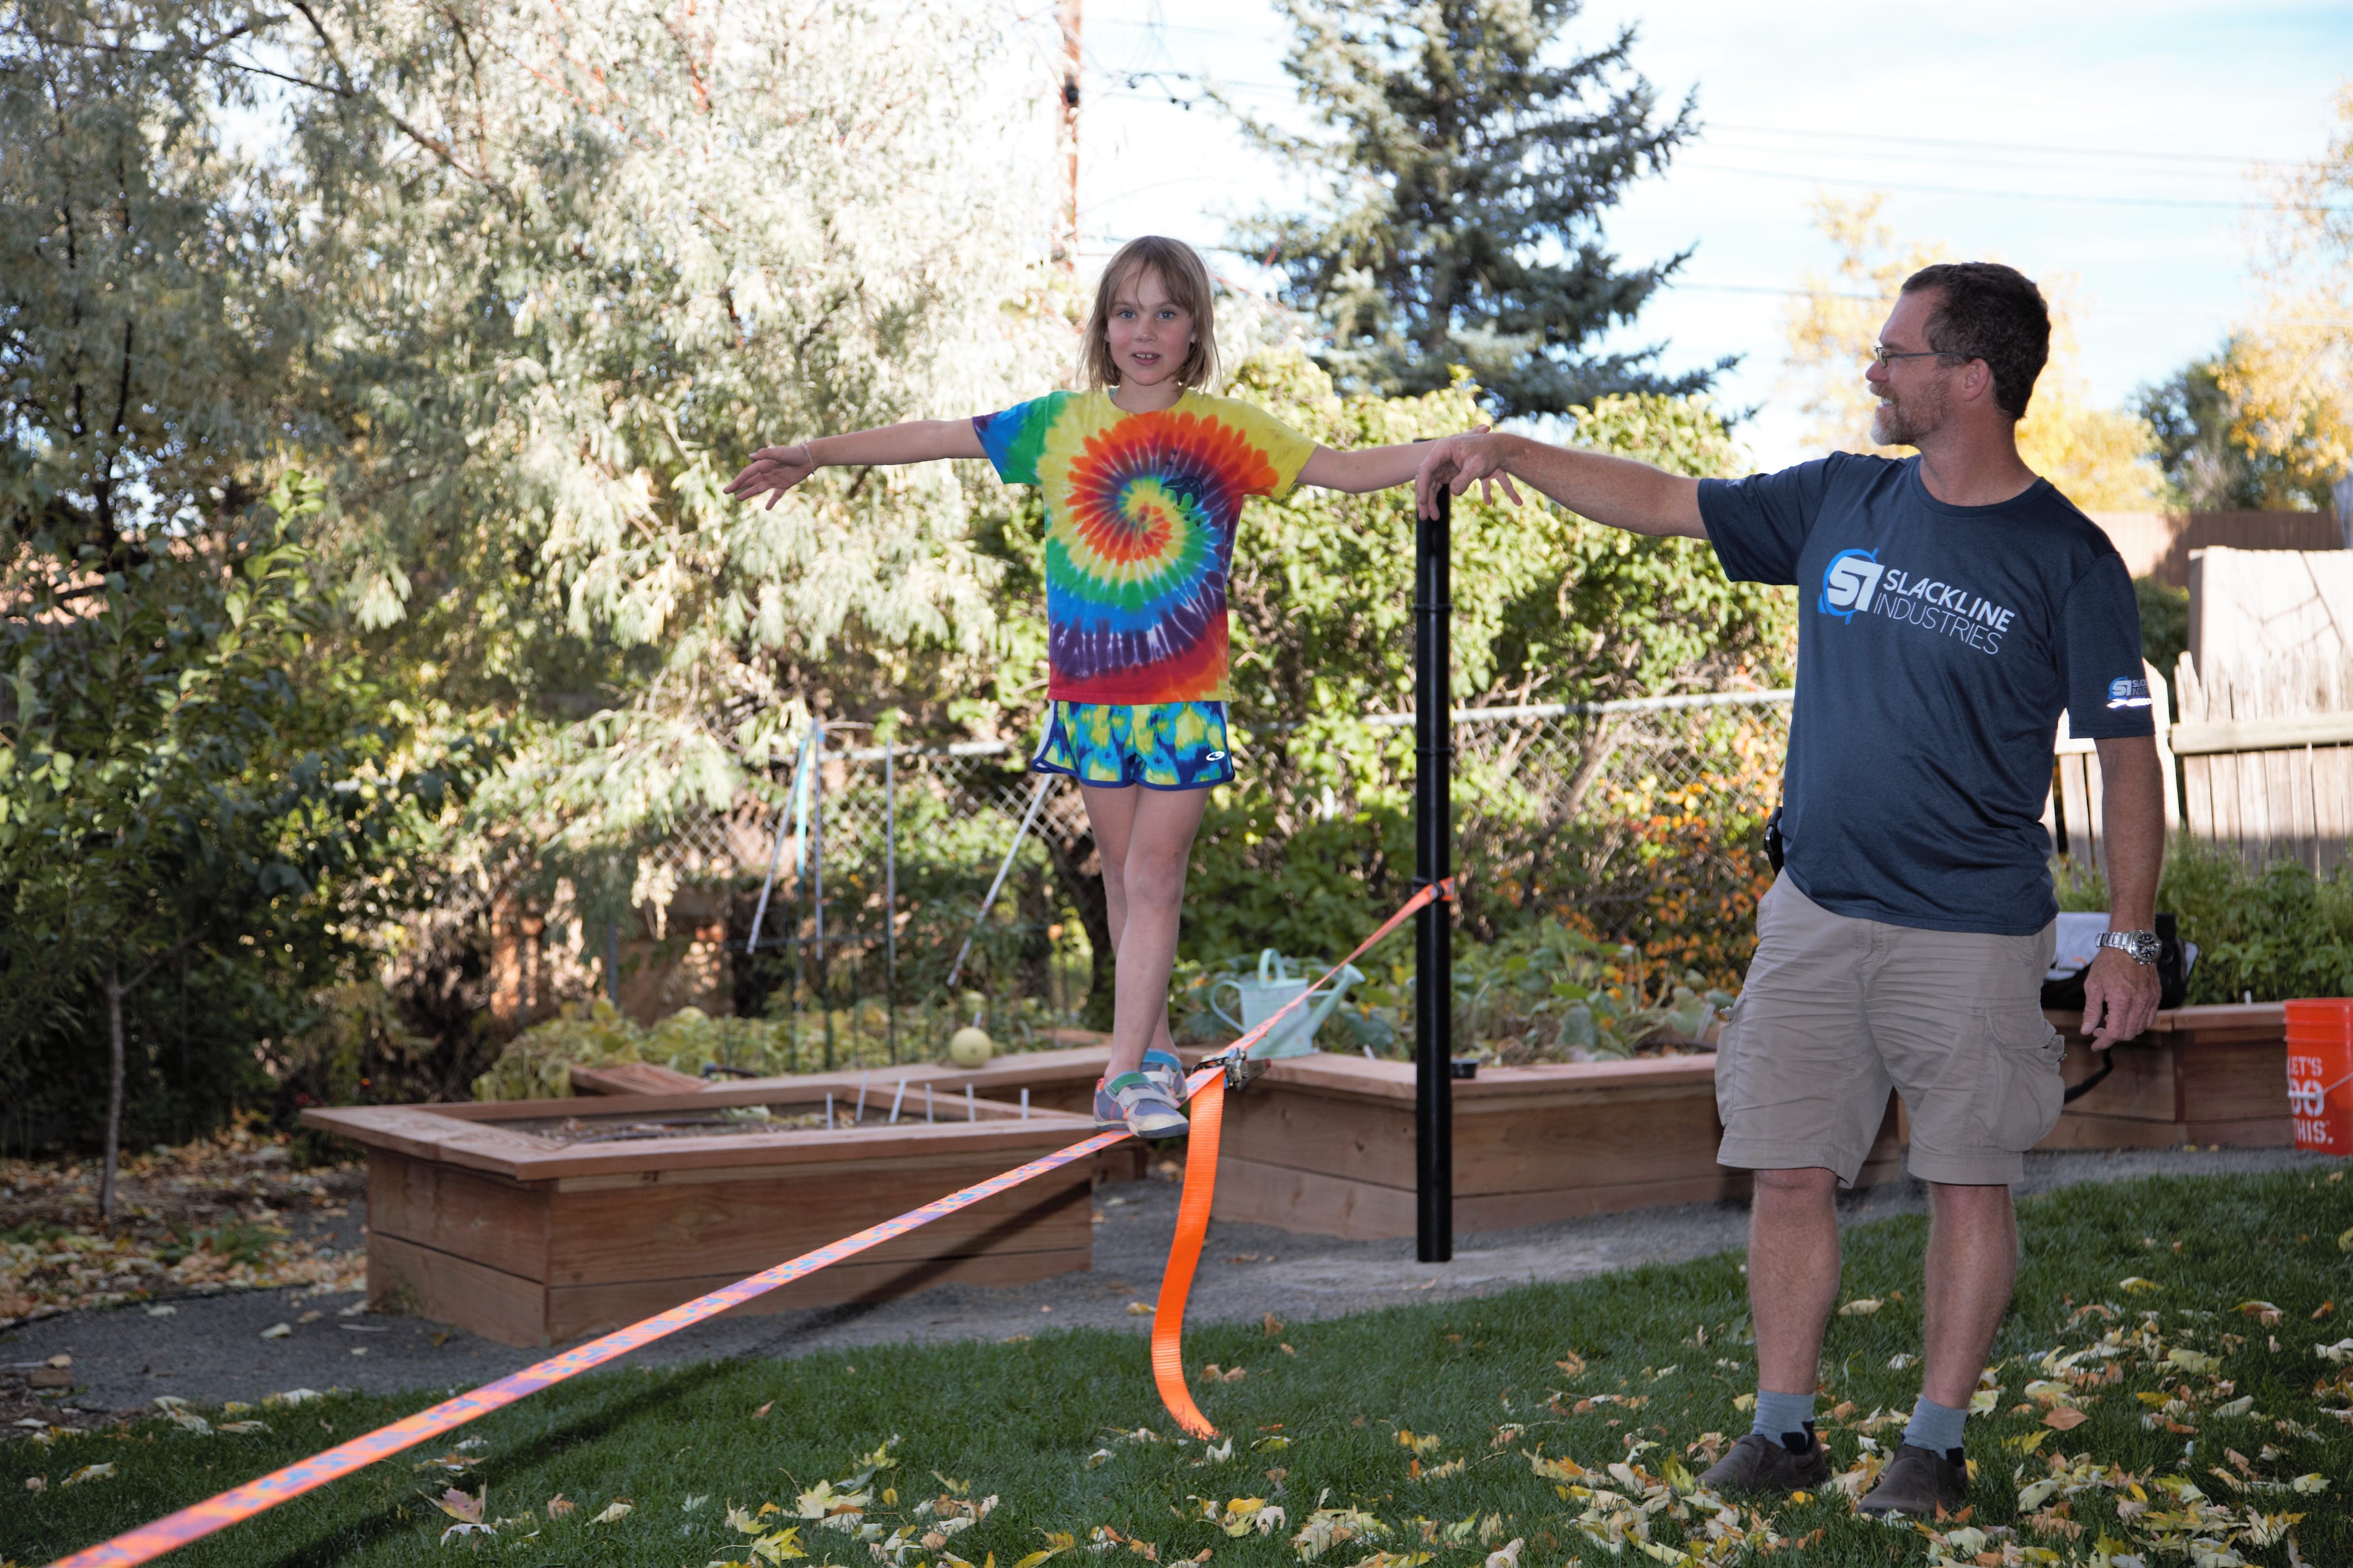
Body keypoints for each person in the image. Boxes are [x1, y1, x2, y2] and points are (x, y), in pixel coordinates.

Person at [1412, 262, 2164, 1516]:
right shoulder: (1839, 496)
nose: (1873, 371)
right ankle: (1785, 1429)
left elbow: (2127, 758)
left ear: (1969, 377)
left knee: (1967, 1178)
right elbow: (1663, 501)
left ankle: (1932, 1440)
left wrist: (2128, 936)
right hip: (1814, 911)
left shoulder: (2068, 558)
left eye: (1897, 352)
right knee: (1786, 1165)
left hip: (1972, 929)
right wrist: (1508, 449)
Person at [728, 235, 1452, 1139]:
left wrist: (1453, 448)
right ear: (1104, 329)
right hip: (1092, 704)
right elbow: (937, 437)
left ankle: (1120, 1077)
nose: (1143, 329)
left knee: (1154, 875)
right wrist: (814, 452)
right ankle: (1149, 1053)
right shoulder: (1058, 425)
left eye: (1166, 312)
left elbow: (1342, 468)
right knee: (1125, 882)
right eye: (1126, 311)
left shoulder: (1226, 431)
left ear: (1195, 331)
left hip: (1184, 703)